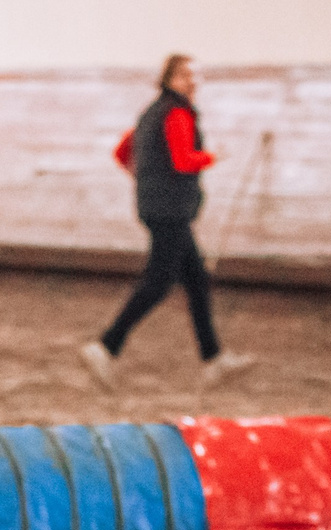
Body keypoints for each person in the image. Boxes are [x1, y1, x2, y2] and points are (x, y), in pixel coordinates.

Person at [80, 54, 255, 389]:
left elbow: (122, 152)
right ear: (170, 79)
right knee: (159, 282)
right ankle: (105, 346)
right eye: (184, 75)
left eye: (194, 75)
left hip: (157, 207)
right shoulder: (176, 112)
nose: (191, 81)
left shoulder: (149, 113)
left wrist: (146, 177)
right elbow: (184, 160)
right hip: (171, 210)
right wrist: (214, 156)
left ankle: (213, 359)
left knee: (197, 280)